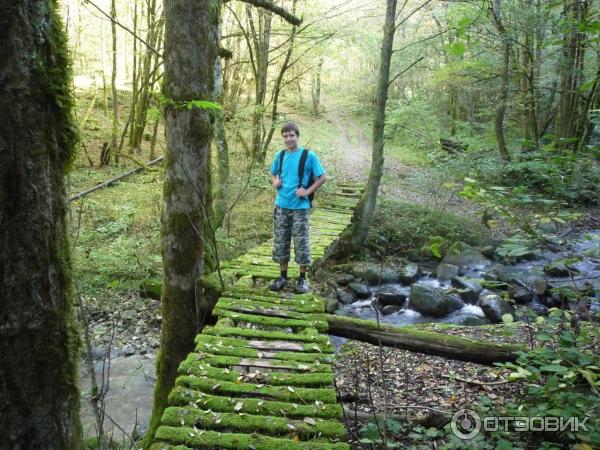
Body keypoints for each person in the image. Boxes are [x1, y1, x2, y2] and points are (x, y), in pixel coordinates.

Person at [269, 122, 326, 293]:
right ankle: (282, 277)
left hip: (300, 208)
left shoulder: (309, 156)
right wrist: (275, 181)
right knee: (280, 242)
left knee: (301, 243)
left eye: (291, 135)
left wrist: (307, 191)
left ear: (297, 136)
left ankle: (302, 279)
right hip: (281, 206)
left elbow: (322, 177)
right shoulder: (279, 156)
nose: (288, 139)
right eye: (285, 136)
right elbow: (273, 173)